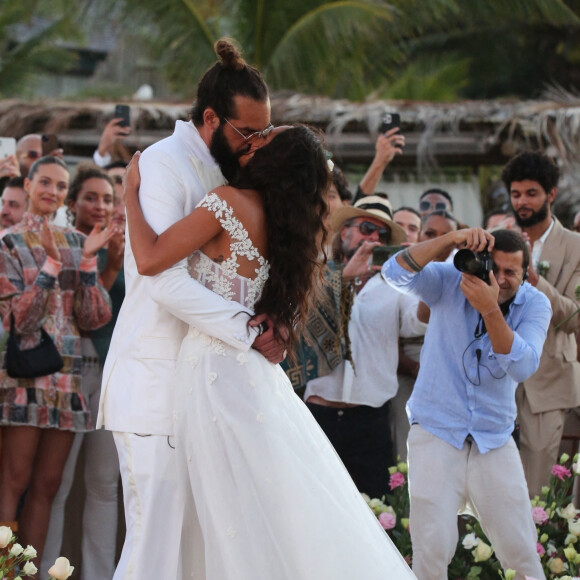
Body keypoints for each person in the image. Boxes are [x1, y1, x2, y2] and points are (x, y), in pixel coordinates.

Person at [124, 124, 416, 580]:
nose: (253, 141)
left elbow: (150, 260)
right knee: (264, 501)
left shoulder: (226, 202)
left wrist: (130, 195)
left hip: (214, 367)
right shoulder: (290, 227)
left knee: (224, 506)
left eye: (264, 138)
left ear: (274, 157)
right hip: (256, 372)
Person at [98, 39, 284, 580]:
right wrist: (246, 330)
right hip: (154, 383)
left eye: (264, 133)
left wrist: (269, 317)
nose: (256, 145)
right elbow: (158, 278)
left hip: (207, 387)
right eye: (248, 133)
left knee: (200, 546)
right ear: (210, 118)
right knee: (154, 544)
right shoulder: (161, 163)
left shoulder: (227, 172)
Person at [383, 227, 551, 580]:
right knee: (431, 548)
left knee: (520, 548)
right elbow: (393, 272)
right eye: (495, 267)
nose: (499, 279)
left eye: (511, 273)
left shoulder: (536, 303)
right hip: (436, 429)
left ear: (527, 274)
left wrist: (490, 311)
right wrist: (449, 241)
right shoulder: (452, 279)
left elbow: (522, 366)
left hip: (493, 436)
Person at [0, 156, 113, 570]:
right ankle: (6, 573)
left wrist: (86, 264)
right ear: (28, 185)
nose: (52, 191)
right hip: (24, 378)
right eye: (44, 182)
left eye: (60, 185)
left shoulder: (76, 241)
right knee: (13, 483)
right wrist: (49, 266)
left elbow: (95, 317)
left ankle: (28, 576)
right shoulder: (7, 242)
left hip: (68, 382)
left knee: (48, 486)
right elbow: (20, 319)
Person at [41, 165, 124, 580]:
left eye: (108, 198)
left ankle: (99, 575)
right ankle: (46, 572)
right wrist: (107, 267)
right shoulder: (63, 247)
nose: (100, 205)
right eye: (91, 197)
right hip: (69, 374)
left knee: (104, 486)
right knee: (57, 484)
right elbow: (85, 314)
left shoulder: (133, 245)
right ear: (71, 203)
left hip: (113, 375)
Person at [303, 196, 415, 498]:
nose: (374, 238)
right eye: (367, 228)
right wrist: (346, 277)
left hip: (370, 419)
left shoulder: (396, 285)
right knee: (314, 506)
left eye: (382, 235)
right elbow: (302, 319)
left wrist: (425, 273)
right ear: (346, 232)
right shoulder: (315, 270)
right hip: (317, 414)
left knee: (376, 515)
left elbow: (418, 322)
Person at [502, 151, 580, 495]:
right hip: (496, 376)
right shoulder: (496, 239)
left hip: (547, 380)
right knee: (489, 482)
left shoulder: (575, 247)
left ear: (551, 194)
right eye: (516, 194)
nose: (522, 202)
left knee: (537, 484)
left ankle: (534, 549)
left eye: (531, 193)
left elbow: (574, 317)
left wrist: (535, 280)